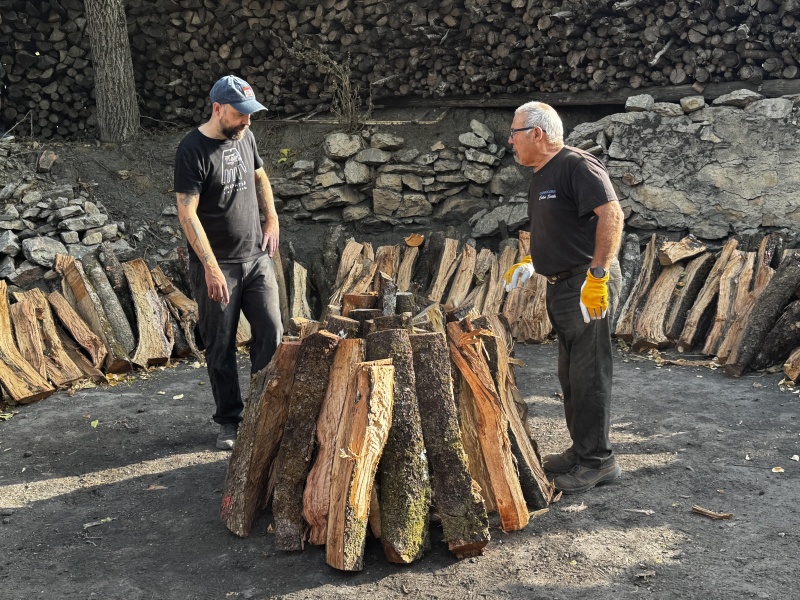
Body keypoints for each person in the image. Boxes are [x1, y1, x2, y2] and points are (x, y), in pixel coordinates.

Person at [505, 101, 625, 493]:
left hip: (585, 283)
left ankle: (598, 462)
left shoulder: (577, 165)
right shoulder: (541, 175)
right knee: (571, 376)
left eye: (515, 133)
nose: (511, 141)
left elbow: (612, 215)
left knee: (590, 375)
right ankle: (581, 451)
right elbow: (558, 227)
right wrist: (532, 260)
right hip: (561, 284)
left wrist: (598, 275)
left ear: (536, 133)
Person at [173, 75, 283, 450]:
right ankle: (230, 421)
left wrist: (272, 219)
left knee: (272, 332)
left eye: (250, 114)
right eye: (240, 114)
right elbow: (187, 213)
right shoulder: (192, 150)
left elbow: (260, 177)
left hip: (256, 257)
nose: (247, 121)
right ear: (218, 109)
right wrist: (210, 267)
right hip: (218, 266)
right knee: (220, 344)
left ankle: (263, 413)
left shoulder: (245, 136)